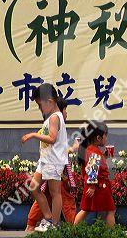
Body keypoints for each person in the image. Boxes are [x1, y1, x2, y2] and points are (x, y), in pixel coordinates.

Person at [25, 97, 78, 231]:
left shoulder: (56, 122)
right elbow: (54, 146)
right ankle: (47, 223)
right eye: (65, 110)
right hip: (48, 164)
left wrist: (73, 148)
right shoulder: (51, 122)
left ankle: (52, 224)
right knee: (43, 194)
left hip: (53, 166)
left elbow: (58, 147)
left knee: (61, 201)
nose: (66, 114)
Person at [21, 83, 68, 231]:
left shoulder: (55, 117)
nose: (40, 108)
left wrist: (34, 135)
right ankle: (48, 218)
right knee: (34, 186)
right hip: (46, 160)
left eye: (40, 104)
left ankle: (54, 223)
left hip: (53, 160)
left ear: (50, 101)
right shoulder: (52, 117)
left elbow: (52, 138)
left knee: (55, 193)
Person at [73, 121, 116, 227]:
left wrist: (104, 156)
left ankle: (73, 231)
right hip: (99, 186)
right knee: (111, 210)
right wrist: (92, 186)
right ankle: (111, 234)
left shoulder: (90, 150)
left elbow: (93, 166)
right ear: (98, 138)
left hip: (92, 186)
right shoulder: (95, 152)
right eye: (105, 135)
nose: (106, 138)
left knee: (85, 210)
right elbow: (92, 169)